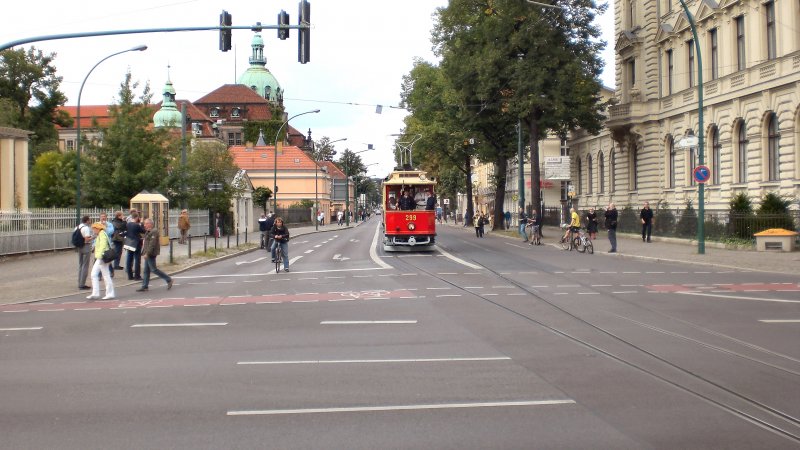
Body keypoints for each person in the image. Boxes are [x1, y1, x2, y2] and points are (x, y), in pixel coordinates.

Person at [136, 218, 173, 292]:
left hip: (151, 253)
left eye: (146, 223)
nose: (144, 225)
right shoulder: (148, 231)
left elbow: (152, 244)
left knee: (153, 269)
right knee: (146, 270)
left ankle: (168, 279)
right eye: (144, 223)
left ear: (150, 224)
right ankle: (145, 286)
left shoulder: (154, 231)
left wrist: (147, 253)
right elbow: (145, 240)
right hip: (147, 252)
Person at [87, 222, 115, 300]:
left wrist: (99, 256)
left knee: (105, 275)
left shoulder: (102, 234)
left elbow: (103, 245)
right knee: (94, 274)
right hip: (100, 257)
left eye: (94, 229)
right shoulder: (100, 234)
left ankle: (110, 293)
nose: (93, 230)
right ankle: (95, 293)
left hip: (102, 257)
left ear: (98, 228)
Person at [124, 212, 144, 281]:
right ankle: (137, 276)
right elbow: (143, 231)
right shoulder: (137, 225)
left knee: (129, 259)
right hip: (136, 243)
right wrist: (141, 223)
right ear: (137, 217)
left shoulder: (128, 224)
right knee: (137, 260)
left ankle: (130, 276)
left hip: (129, 242)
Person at [75, 215, 93, 290]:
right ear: (87, 220)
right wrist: (94, 236)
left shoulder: (77, 227)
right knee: (85, 265)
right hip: (86, 247)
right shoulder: (86, 228)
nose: (90, 221)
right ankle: (82, 284)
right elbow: (87, 239)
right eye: (89, 220)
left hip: (79, 247)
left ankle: (79, 282)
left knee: (81, 264)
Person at [99, 212, 116, 278]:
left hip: (107, 244)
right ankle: (99, 275)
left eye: (104, 216)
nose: (103, 218)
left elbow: (110, 232)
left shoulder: (110, 225)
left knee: (107, 258)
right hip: (99, 244)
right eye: (102, 216)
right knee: (98, 259)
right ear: (100, 217)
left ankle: (111, 271)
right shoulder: (97, 224)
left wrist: (105, 227)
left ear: (106, 217)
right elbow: (95, 235)